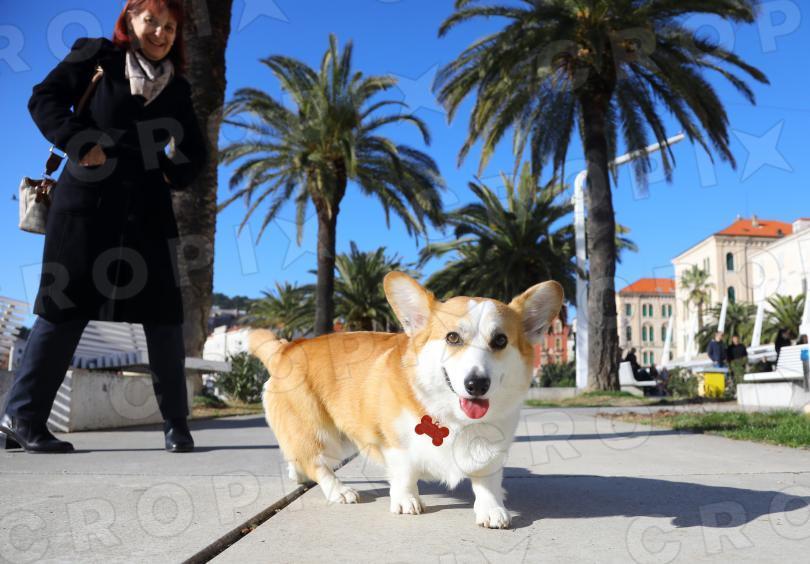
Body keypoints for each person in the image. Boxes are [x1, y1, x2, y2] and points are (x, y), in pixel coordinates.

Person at [1, 0, 207, 453]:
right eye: (151, 20)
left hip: (148, 211)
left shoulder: (178, 86)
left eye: (170, 27)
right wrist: (79, 142)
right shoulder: (95, 54)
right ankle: (22, 418)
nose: (161, 33)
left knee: (164, 316)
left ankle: (176, 425)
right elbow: (43, 97)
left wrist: (171, 173)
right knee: (62, 305)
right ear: (130, 19)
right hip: (86, 202)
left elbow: (195, 149)